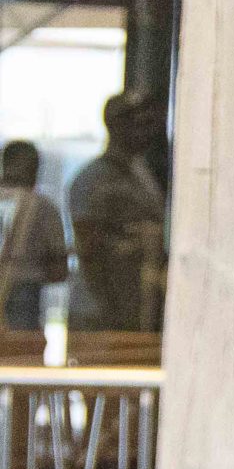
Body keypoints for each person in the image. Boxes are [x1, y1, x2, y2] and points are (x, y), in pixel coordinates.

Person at [68, 95, 167, 334]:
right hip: (99, 312)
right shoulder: (92, 179)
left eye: (148, 122)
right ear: (116, 124)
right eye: (137, 121)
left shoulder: (143, 176)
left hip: (138, 308)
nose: (145, 129)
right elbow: (88, 246)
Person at [0, 141, 70, 333]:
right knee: (21, 353)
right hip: (24, 294)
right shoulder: (44, 208)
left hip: (25, 293)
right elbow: (59, 270)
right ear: (35, 168)